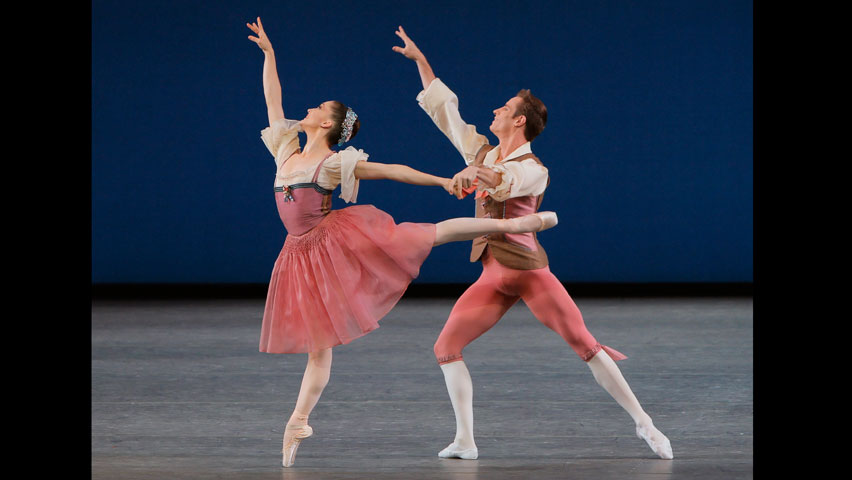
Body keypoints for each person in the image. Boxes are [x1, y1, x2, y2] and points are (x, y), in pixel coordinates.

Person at [247, 18, 559, 467]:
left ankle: (517, 227)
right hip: (298, 256)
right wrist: (269, 55)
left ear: (328, 124)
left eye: (318, 108)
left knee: (430, 234)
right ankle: (299, 420)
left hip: (335, 244)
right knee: (320, 346)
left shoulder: (336, 164)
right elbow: (271, 99)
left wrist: (441, 181)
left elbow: (393, 169)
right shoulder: (285, 150)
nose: (308, 110)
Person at [392, 26, 673, 461]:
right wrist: (421, 62)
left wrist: (474, 174)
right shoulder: (483, 151)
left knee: (584, 344)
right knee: (446, 347)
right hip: (492, 274)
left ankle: (645, 423)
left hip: (527, 272)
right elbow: (446, 113)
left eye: (504, 108)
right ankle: (466, 441)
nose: (495, 110)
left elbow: (504, 184)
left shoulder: (533, 169)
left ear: (519, 120)